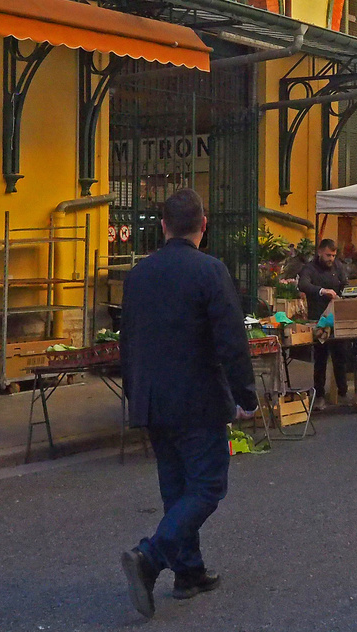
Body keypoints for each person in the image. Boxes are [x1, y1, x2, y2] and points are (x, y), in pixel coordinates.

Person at [119, 188, 258, 617]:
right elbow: (231, 340)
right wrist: (245, 395)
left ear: (162, 227)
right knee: (207, 486)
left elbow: (129, 340)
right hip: (198, 395)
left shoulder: (138, 274)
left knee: (176, 488)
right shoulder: (210, 271)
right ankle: (151, 556)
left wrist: (134, 392)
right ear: (204, 225)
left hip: (153, 397)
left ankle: (189, 571)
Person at [296, 238, 348, 409]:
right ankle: (319, 395)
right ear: (319, 252)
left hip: (337, 316)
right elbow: (303, 284)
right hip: (318, 318)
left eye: (333, 255)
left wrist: (342, 295)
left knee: (340, 355)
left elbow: (345, 284)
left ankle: (343, 393)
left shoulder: (338, 267)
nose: (330, 258)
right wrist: (322, 291)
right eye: (328, 255)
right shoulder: (309, 268)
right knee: (320, 357)